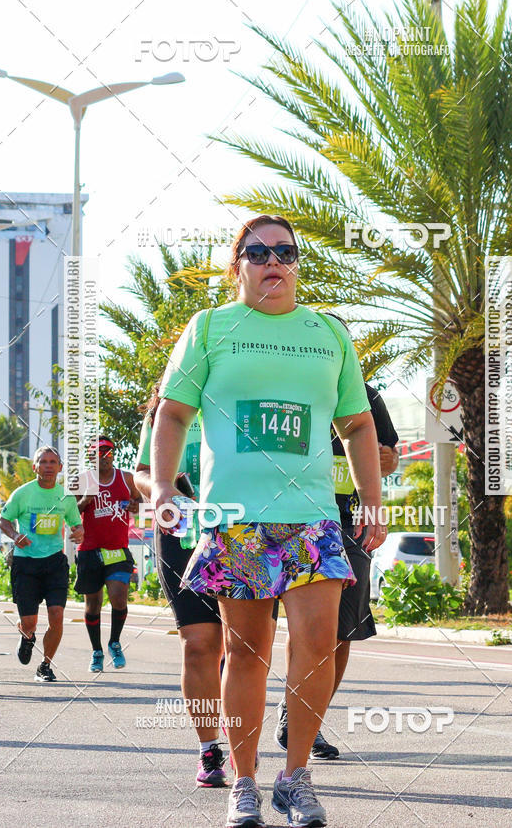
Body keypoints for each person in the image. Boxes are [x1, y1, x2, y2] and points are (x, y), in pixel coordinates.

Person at [151, 215, 385, 828]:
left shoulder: (327, 333)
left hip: (311, 517)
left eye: (284, 251)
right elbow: (172, 413)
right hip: (236, 519)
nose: (272, 260)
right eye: (257, 252)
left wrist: (372, 499)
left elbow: (357, 423)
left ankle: (296, 776)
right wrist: (163, 484)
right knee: (246, 651)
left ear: (297, 262)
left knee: (317, 643)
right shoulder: (210, 328)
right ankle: (244, 781)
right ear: (238, 266)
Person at [275, 375, 398, 760]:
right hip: (297, 519)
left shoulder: (367, 397)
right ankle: (294, 712)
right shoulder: (289, 388)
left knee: (342, 632)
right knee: (308, 627)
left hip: (350, 525)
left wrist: (384, 460)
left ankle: (306, 720)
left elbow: (390, 456)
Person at [135, 389, 226, 788]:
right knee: (199, 643)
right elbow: (141, 471)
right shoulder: (165, 410)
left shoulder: (242, 392)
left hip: (241, 530)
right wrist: (163, 488)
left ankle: (244, 736)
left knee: (241, 645)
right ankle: (210, 748)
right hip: (180, 532)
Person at [0, 446, 83, 682]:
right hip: (26, 563)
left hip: (54, 562)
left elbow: (76, 523)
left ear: (60, 467)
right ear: (35, 467)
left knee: (57, 615)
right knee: (29, 623)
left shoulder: (66, 497)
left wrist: (79, 531)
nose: (48, 466)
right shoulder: (23, 494)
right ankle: (27, 636)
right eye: (43, 462)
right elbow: (3, 519)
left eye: (52, 462)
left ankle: (45, 666)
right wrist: (15, 536)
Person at [75, 435, 141, 672]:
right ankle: (97, 651)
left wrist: (135, 505)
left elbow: (138, 500)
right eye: (99, 453)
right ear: (91, 457)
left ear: (113, 455)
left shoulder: (126, 478)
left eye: (108, 452)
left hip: (117, 550)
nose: (104, 457)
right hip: (90, 550)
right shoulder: (82, 480)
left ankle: (114, 642)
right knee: (93, 605)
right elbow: (71, 511)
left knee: (118, 597)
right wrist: (85, 500)